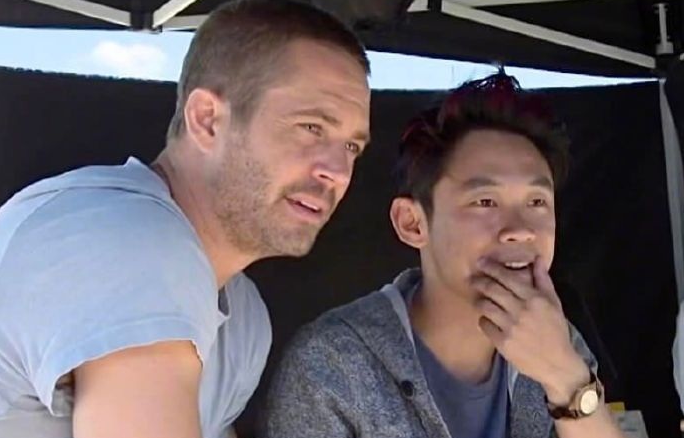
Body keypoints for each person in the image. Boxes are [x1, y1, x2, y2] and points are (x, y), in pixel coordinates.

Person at [0, 0, 371, 438]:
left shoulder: (243, 319)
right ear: (207, 120)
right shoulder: (128, 243)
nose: (338, 172)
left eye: (352, 147)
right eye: (312, 128)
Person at [261, 73, 625, 438]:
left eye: (537, 202)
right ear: (412, 223)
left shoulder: (558, 342)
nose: (520, 229)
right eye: (485, 201)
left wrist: (566, 377)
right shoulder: (332, 365)